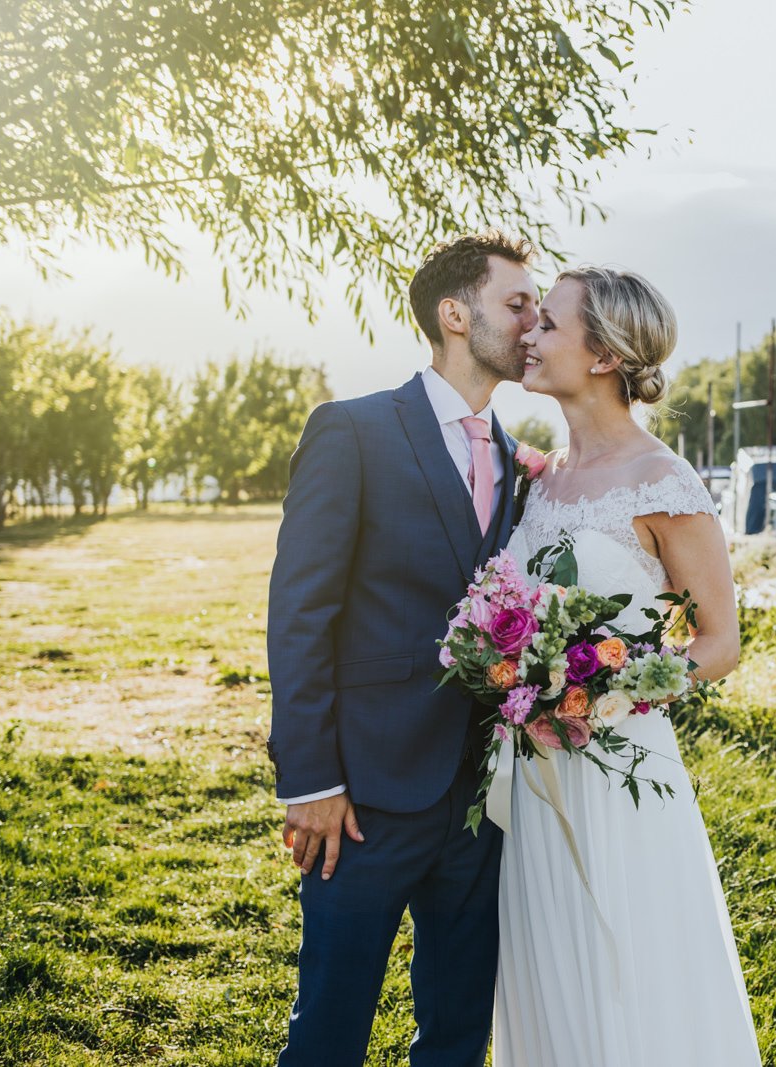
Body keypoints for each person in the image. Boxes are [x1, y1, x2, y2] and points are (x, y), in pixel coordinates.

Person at [266, 231, 537, 1065]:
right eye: (518, 303)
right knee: (330, 1033)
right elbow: (300, 612)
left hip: (483, 804)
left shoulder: (523, 464)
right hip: (365, 797)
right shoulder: (352, 431)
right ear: (456, 314)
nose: (535, 322)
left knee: (458, 1035)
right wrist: (311, 781)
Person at [492, 266, 761, 1065]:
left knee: (628, 968)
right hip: (532, 773)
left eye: (548, 324)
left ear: (604, 355)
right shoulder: (541, 476)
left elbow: (720, 641)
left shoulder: (663, 481)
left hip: (616, 767)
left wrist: (603, 698)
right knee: (547, 966)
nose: (529, 337)